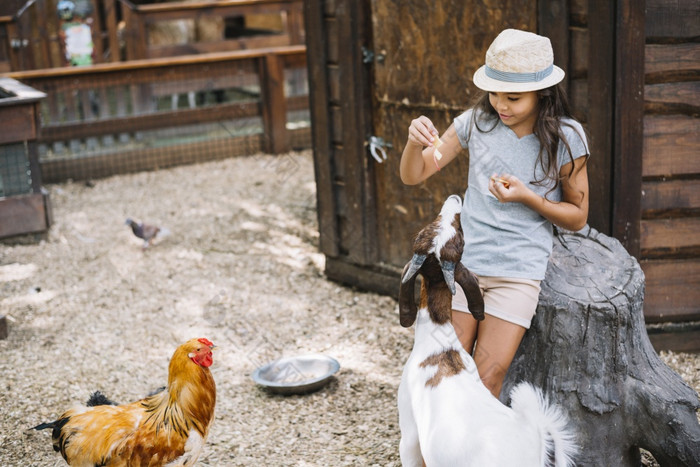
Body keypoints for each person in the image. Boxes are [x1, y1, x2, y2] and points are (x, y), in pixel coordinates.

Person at [399, 28, 590, 398]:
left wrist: (527, 197)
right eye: (494, 92)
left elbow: (578, 216)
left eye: (514, 97)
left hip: (517, 275)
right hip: (464, 267)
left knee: (487, 379)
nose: (501, 105)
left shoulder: (568, 137)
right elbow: (415, 173)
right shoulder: (475, 123)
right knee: (442, 372)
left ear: (543, 93)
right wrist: (412, 143)